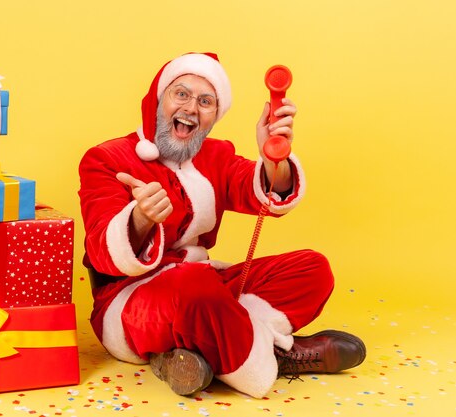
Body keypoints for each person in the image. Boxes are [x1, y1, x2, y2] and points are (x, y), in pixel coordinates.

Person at [78, 52, 365, 398]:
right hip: (130, 303)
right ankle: (278, 355)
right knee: (194, 285)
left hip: (204, 287)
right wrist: (140, 218)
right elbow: (100, 249)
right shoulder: (106, 158)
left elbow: (264, 193)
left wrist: (274, 154)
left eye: (205, 101)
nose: (191, 109)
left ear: (215, 116)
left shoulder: (217, 156)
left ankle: (189, 357)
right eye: (180, 94)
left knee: (313, 269)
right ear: (159, 98)